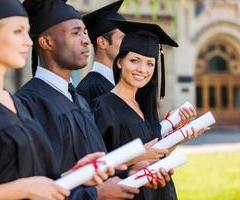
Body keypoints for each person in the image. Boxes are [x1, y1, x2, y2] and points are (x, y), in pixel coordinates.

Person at [0, 0, 108, 199]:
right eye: (18, 31)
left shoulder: (14, 104)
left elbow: (33, 181)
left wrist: (76, 175)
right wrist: (24, 188)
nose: (29, 41)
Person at [16, 0, 167, 199]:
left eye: (85, 33)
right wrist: (96, 194)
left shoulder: (80, 102)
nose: (87, 40)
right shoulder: (28, 105)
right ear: (46, 42)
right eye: (75, 33)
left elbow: (92, 171)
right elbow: (34, 189)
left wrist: (131, 172)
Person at [91, 19, 209, 200]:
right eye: (134, 61)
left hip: (160, 192)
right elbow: (97, 167)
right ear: (120, 62)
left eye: (149, 64)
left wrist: (179, 137)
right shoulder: (102, 107)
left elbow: (156, 154)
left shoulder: (146, 107)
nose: (142, 69)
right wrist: (137, 156)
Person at [77, 0, 125, 103]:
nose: (128, 44)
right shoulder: (87, 90)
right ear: (102, 42)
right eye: (122, 39)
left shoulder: (122, 83)